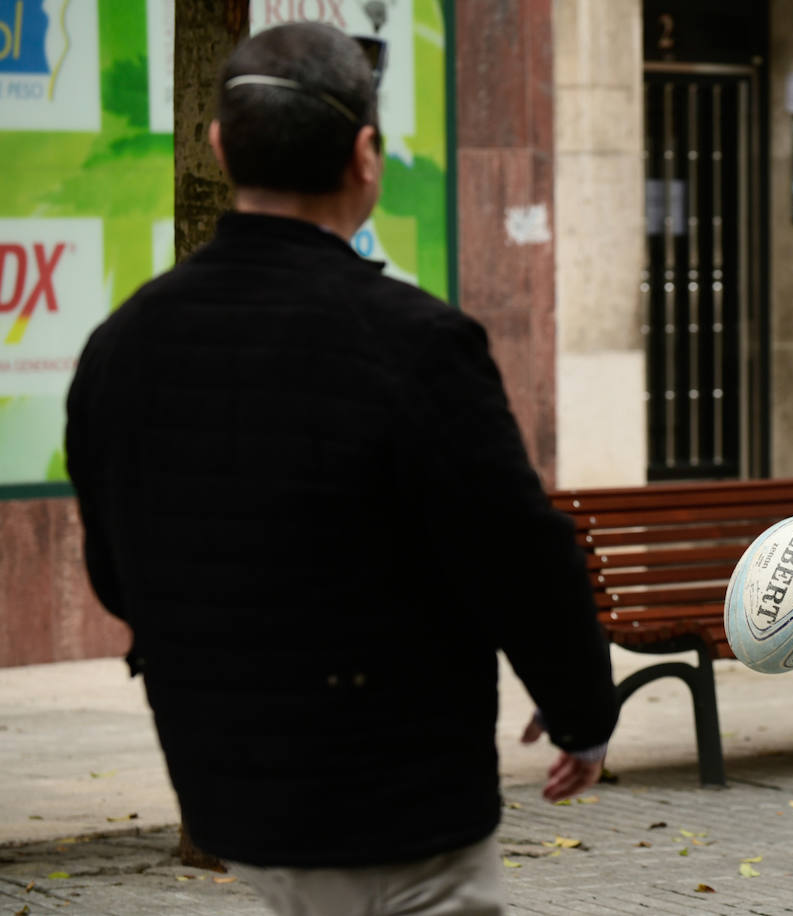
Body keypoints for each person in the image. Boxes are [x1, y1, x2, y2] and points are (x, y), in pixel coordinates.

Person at [64, 22, 617, 915]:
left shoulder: (119, 345)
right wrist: (583, 714)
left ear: (217, 145)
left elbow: (115, 573)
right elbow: (518, 554)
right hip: (401, 805)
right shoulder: (418, 342)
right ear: (366, 154)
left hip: (232, 797)